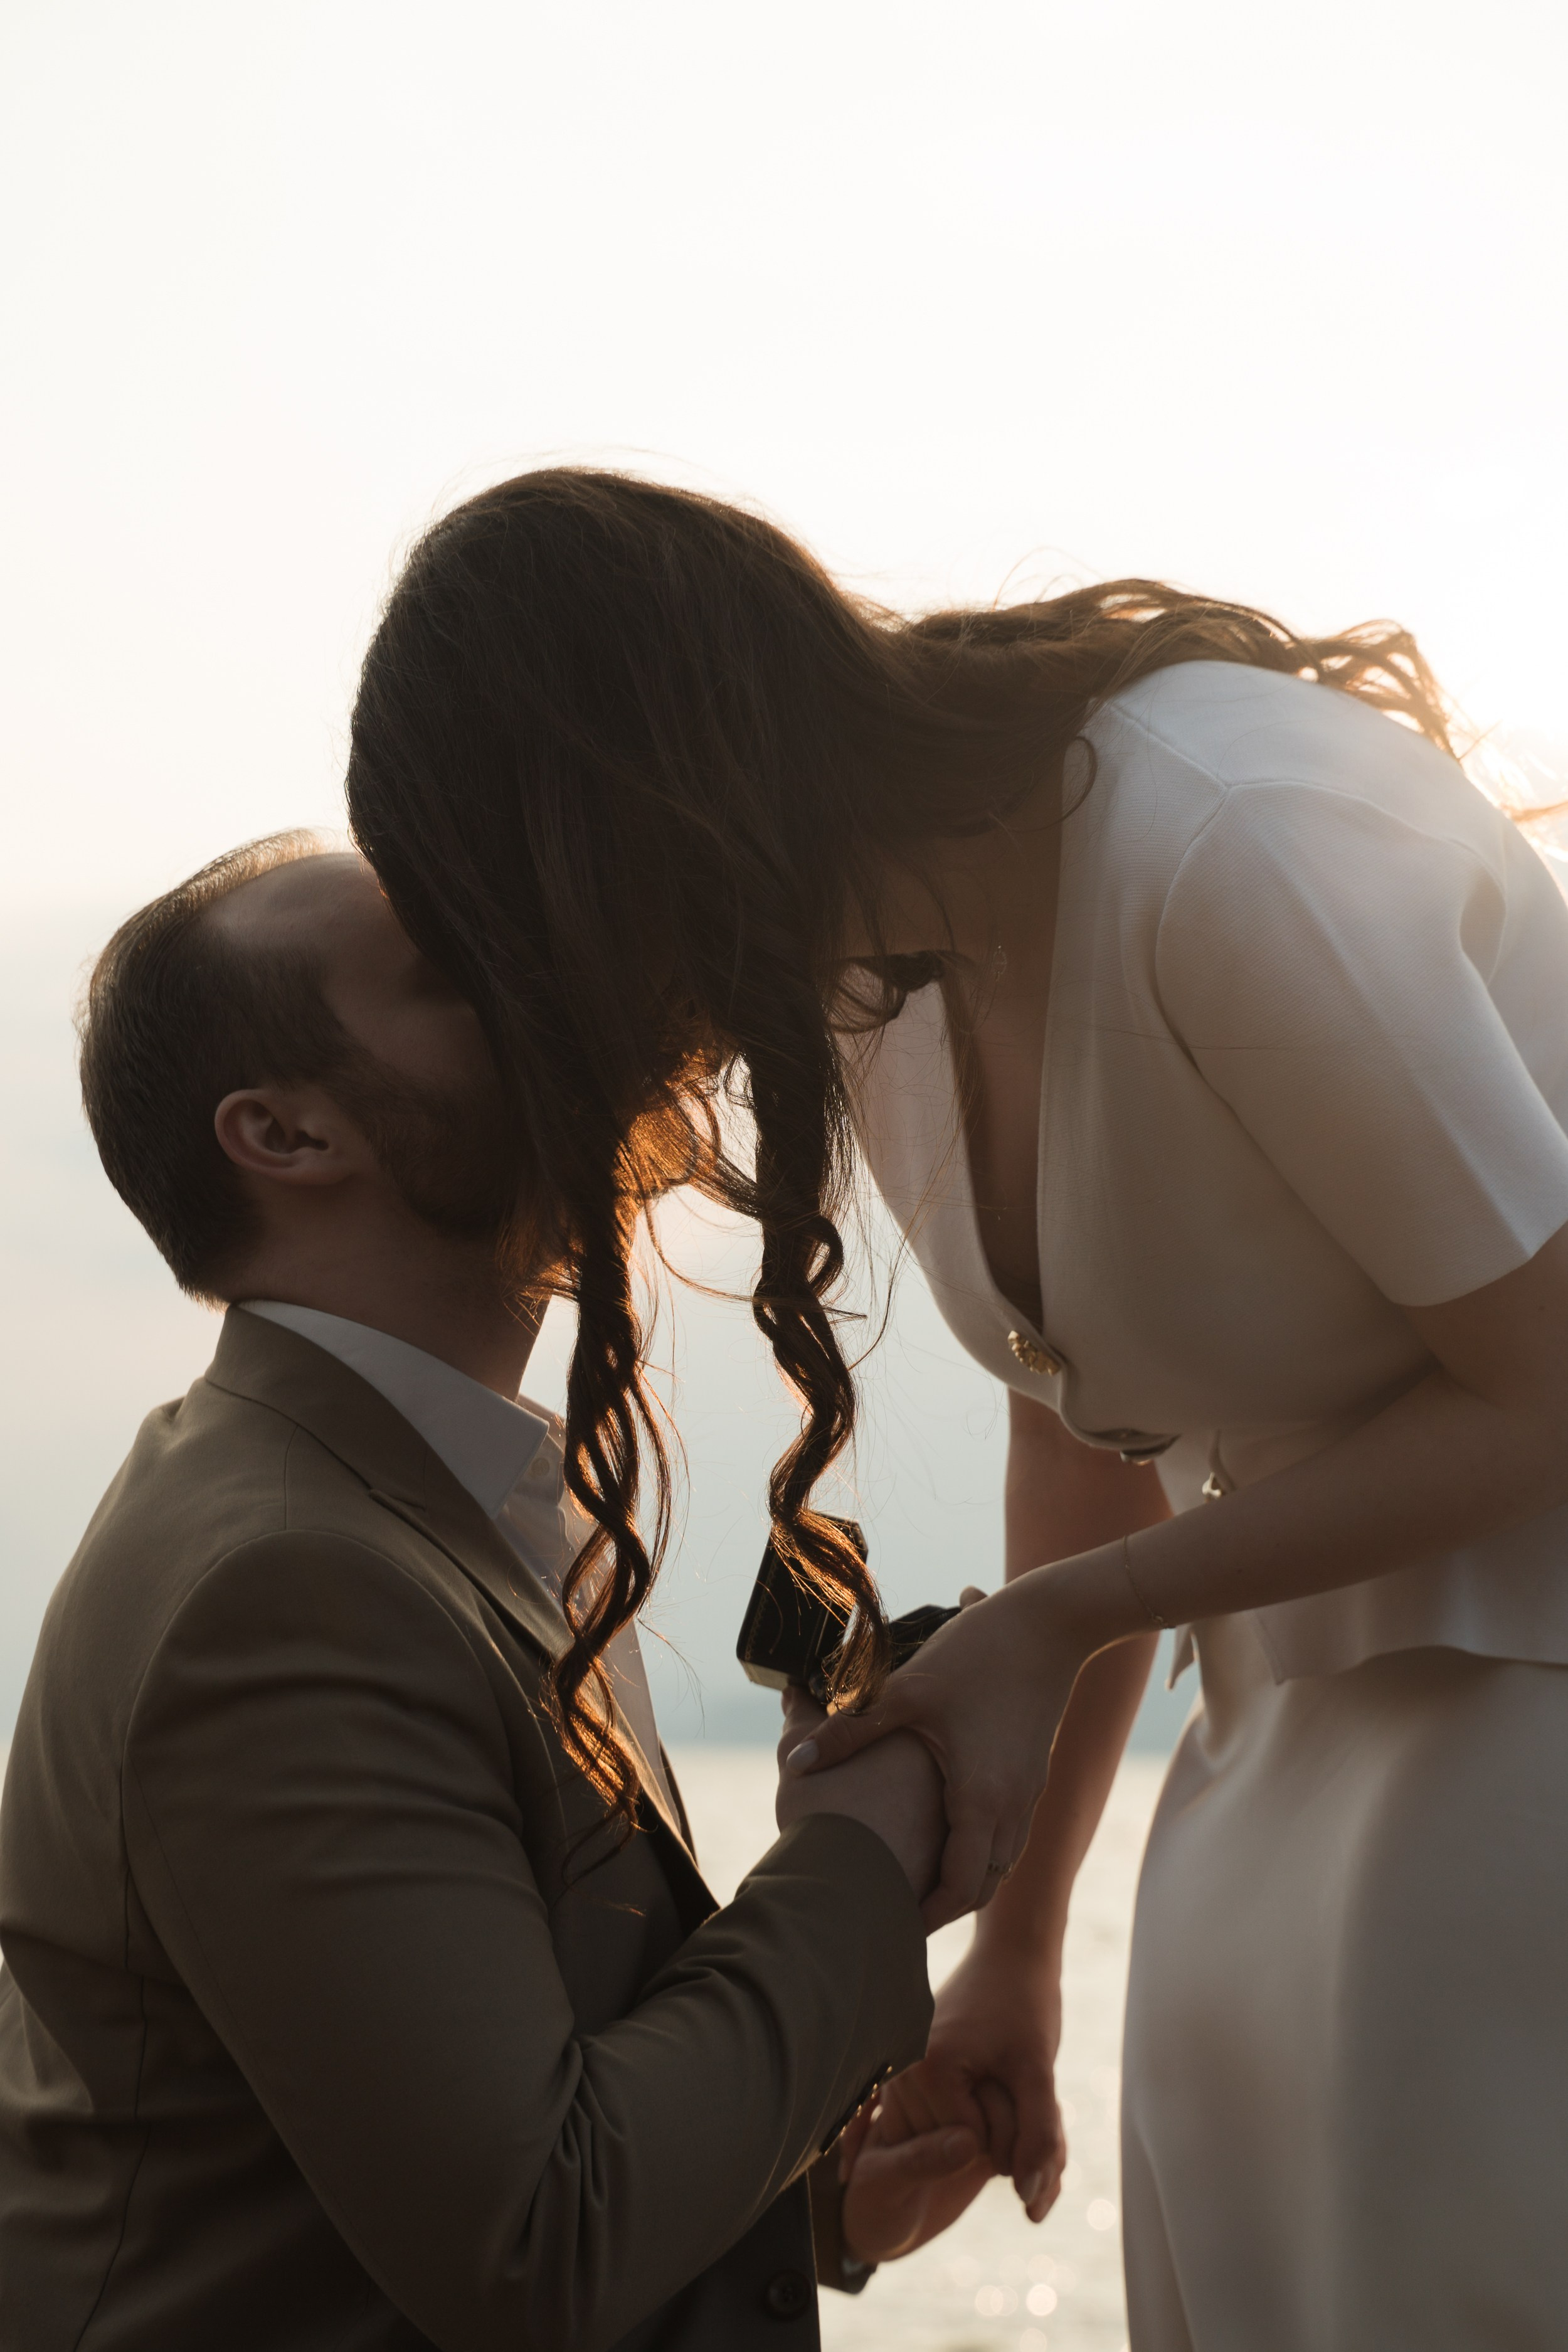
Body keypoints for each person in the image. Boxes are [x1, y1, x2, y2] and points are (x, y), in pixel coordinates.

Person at [343, 466, 1568, 2349]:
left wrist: (1055, 1622)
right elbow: (1087, 1415)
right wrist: (1012, 1948)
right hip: (1271, 1746)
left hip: (1517, 1719)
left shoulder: (1228, 836)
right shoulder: (872, 965)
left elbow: (1547, 1388)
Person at [0, 832, 990, 2352]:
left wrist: (811, 2208)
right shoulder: (288, 1594)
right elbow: (537, 2243)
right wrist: (861, 1857)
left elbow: (440, 2132)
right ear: (285, 1133)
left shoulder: (423, 1504)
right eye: (452, 967)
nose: (555, 977)